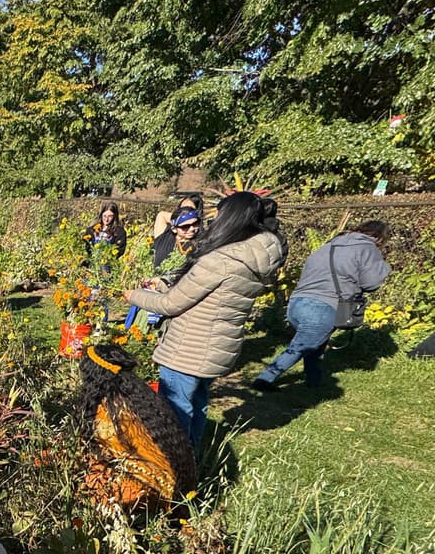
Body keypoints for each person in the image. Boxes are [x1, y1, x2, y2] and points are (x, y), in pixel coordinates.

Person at [122, 192, 285, 448]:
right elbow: (206, 292)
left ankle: (176, 461)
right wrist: (165, 282)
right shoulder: (253, 256)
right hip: (218, 347)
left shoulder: (221, 260)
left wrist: (134, 295)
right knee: (197, 403)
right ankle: (194, 453)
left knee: (175, 410)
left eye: (218, 213)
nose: (212, 220)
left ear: (230, 218)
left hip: (189, 348)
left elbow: (170, 303)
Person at [253, 221, 391, 391]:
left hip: (297, 303)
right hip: (323, 307)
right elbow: (371, 284)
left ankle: (314, 381)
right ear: (379, 238)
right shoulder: (368, 248)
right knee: (301, 347)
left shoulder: (331, 243)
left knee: (316, 344)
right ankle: (264, 379)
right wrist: (384, 267)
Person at [79, 343, 197, 509]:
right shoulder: (140, 396)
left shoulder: (110, 410)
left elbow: (105, 451)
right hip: (177, 487)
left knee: (91, 473)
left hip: (149, 493)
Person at [151, 207, 201, 276]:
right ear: (174, 229)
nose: (192, 229)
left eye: (195, 223)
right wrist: (179, 218)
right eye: (185, 226)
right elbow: (161, 215)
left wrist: (188, 218)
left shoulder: (199, 244)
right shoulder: (164, 236)